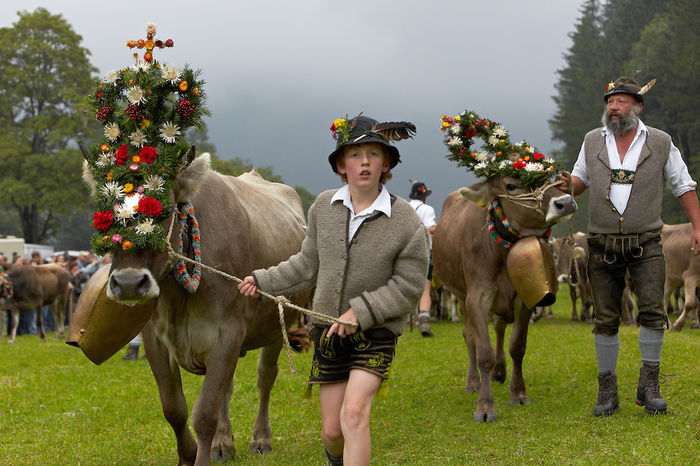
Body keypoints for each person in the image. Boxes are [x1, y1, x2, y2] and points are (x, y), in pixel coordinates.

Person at [238, 115, 429, 465]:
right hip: (327, 331)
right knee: (331, 431)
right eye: (356, 155)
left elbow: (409, 286)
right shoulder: (323, 208)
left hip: (376, 333)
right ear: (342, 164)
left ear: (386, 163)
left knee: (354, 414)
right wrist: (261, 279)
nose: (365, 162)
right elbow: (305, 265)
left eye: (374, 154)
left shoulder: (408, 223)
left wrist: (361, 312)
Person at [557, 76, 700, 417]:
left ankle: (649, 386)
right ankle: (607, 389)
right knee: (605, 317)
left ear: (638, 106)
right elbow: (578, 181)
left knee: (652, 311)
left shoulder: (661, 142)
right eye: (609, 101)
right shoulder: (593, 140)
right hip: (601, 242)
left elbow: (682, 184)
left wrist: (697, 225)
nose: (613, 107)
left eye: (621, 101)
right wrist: (561, 182)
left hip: (648, 240)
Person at [407, 180, 437, 337]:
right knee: (425, 288)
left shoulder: (404, 208)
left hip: (404, 253)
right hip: (423, 251)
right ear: (424, 196)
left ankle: (405, 318)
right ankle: (424, 320)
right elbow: (431, 228)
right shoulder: (427, 209)